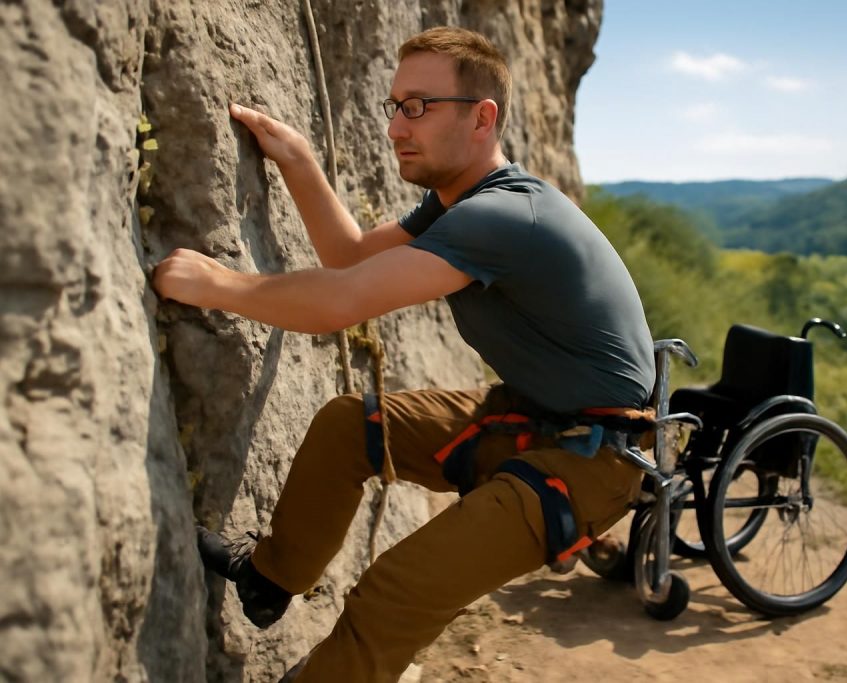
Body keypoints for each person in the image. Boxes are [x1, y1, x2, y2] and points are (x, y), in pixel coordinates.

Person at [153, 26, 655, 683]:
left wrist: (215, 286)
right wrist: (300, 160)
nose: (396, 127)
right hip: (538, 416)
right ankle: (272, 576)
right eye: (395, 106)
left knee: (397, 589)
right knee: (347, 425)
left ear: (482, 117)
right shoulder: (463, 204)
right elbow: (352, 256)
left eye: (419, 106)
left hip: (594, 457)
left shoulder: (501, 217)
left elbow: (340, 301)